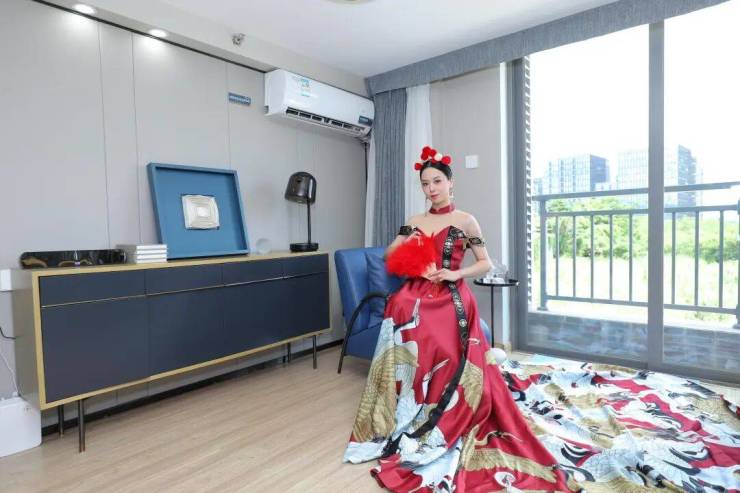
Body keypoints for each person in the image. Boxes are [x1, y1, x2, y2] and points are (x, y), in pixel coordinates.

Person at [342, 147, 575, 492]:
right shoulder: (413, 220)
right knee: (401, 307)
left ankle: (445, 406)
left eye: (437, 181)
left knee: (445, 340)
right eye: (425, 183)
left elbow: (485, 262)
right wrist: (410, 251)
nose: (431, 189)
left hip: (450, 294)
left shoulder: (467, 221)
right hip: (415, 292)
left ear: (451, 182)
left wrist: (455, 274)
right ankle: (410, 401)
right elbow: (390, 254)